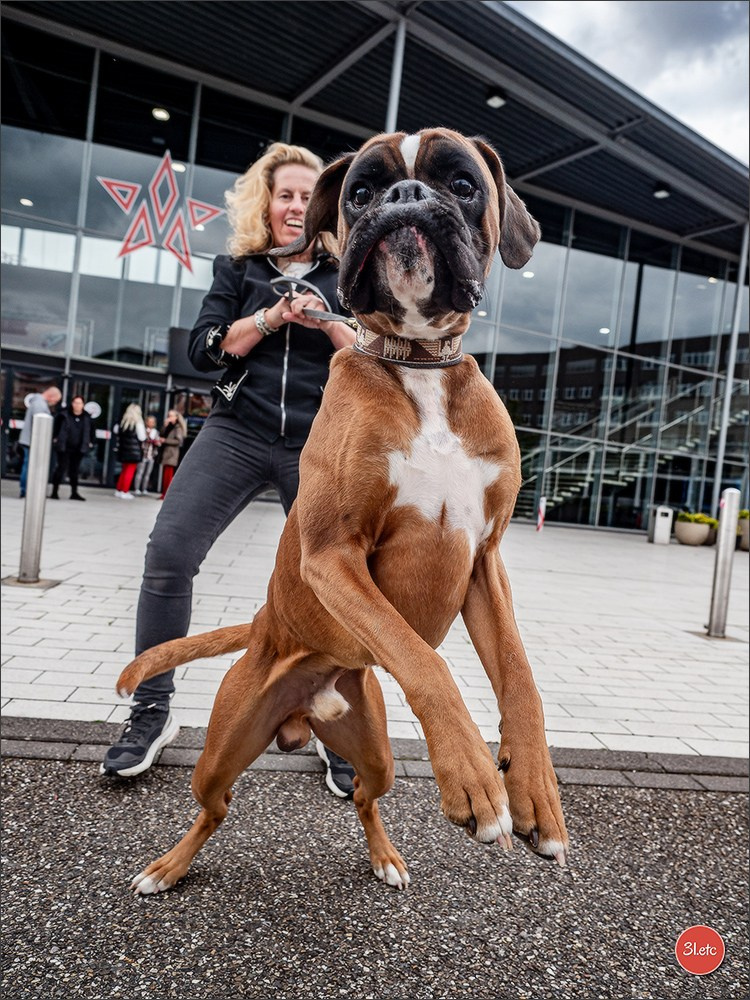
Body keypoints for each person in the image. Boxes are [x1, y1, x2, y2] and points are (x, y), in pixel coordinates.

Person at [100, 142, 358, 800]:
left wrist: (324, 318)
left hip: (319, 442)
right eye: (286, 194)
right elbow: (203, 349)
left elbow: (372, 351)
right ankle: (150, 712)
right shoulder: (238, 268)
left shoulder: (348, 273)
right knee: (169, 549)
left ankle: (342, 731)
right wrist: (270, 315)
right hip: (237, 431)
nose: (297, 205)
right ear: (267, 204)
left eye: (308, 196)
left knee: (340, 584)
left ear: (323, 206)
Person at [18, 385, 62, 498]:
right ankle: (25, 491)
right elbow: (39, 425)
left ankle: (26, 490)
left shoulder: (38, 402)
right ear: (51, 396)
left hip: (30, 440)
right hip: (32, 441)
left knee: (28, 465)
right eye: (56, 400)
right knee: (28, 466)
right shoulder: (39, 405)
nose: (55, 403)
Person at [50, 395, 95, 501]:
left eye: (79, 403)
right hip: (64, 447)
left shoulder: (87, 418)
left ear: (83, 405)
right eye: (75, 402)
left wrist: (91, 442)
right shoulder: (64, 415)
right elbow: (56, 428)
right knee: (61, 468)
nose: (77, 405)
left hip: (79, 448)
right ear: (72, 403)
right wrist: (55, 438)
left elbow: (92, 431)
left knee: (74, 471)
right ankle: (54, 492)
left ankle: (74, 492)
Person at [113, 403, 146, 500]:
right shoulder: (138, 423)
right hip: (133, 452)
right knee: (130, 471)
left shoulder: (122, 423)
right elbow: (142, 437)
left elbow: (115, 431)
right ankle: (125, 491)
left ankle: (119, 490)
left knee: (124, 470)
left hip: (123, 450)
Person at [157, 409, 186, 498]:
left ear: (176, 417)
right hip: (165, 453)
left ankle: (166, 494)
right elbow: (162, 434)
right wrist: (165, 426)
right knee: (165, 475)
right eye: (168, 415)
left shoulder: (177, 428)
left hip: (171, 454)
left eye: (171, 416)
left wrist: (165, 440)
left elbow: (178, 441)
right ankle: (164, 493)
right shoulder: (169, 426)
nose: (169, 418)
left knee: (168, 475)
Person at [133, 415, 159, 495]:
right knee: (140, 472)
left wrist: (156, 442)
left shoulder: (155, 432)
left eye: (152, 422)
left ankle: (144, 489)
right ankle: (136, 489)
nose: (150, 423)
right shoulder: (143, 430)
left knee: (147, 474)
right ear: (146, 422)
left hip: (151, 455)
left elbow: (157, 442)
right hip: (143, 455)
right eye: (149, 421)